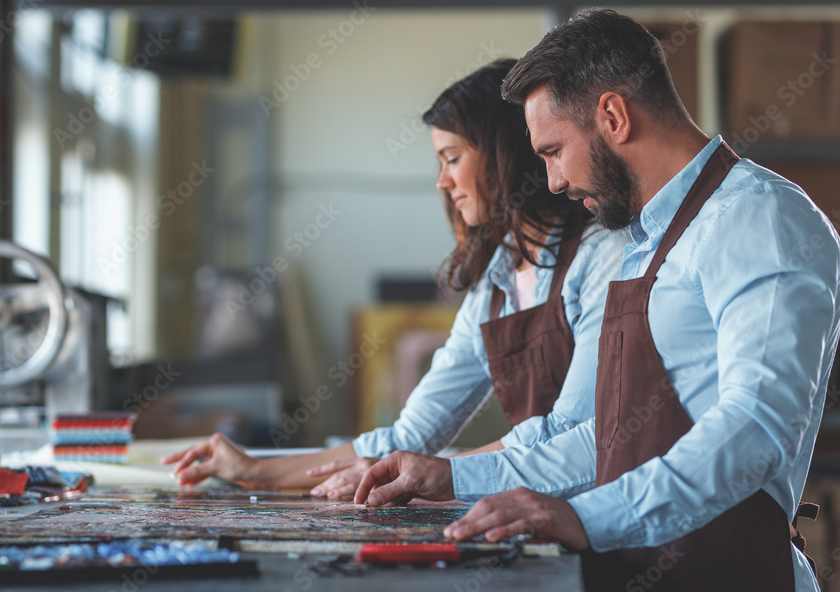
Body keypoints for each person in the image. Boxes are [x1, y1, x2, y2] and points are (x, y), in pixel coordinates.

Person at [354, 9, 840, 592]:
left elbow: (756, 428)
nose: (553, 181)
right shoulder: (644, 242)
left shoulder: (757, 218)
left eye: (554, 150)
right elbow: (610, 439)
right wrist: (456, 477)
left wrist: (584, 516)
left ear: (613, 116)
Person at [162, 59, 627, 499]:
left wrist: (440, 474)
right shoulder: (493, 285)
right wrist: (254, 470)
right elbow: (409, 437)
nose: (443, 182)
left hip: (609, 518)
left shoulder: (600, 255)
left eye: (451, 157)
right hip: (535, 514)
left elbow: (568, 432)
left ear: (504, 152)